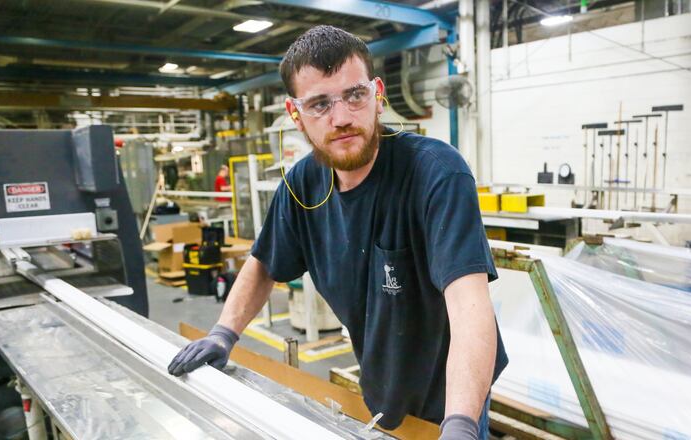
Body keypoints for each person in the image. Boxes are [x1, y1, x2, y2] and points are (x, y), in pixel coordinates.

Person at [168, 25, 507, 440]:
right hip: (383, 379)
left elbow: (470, 304)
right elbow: (263, 264)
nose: (342, 117)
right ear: (295, 115)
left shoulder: (436, 172)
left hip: (453, 389)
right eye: (319, 104)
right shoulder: (302, 184)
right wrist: (223, 333)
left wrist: (461, 426)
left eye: (354, 95)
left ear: (377, 93)